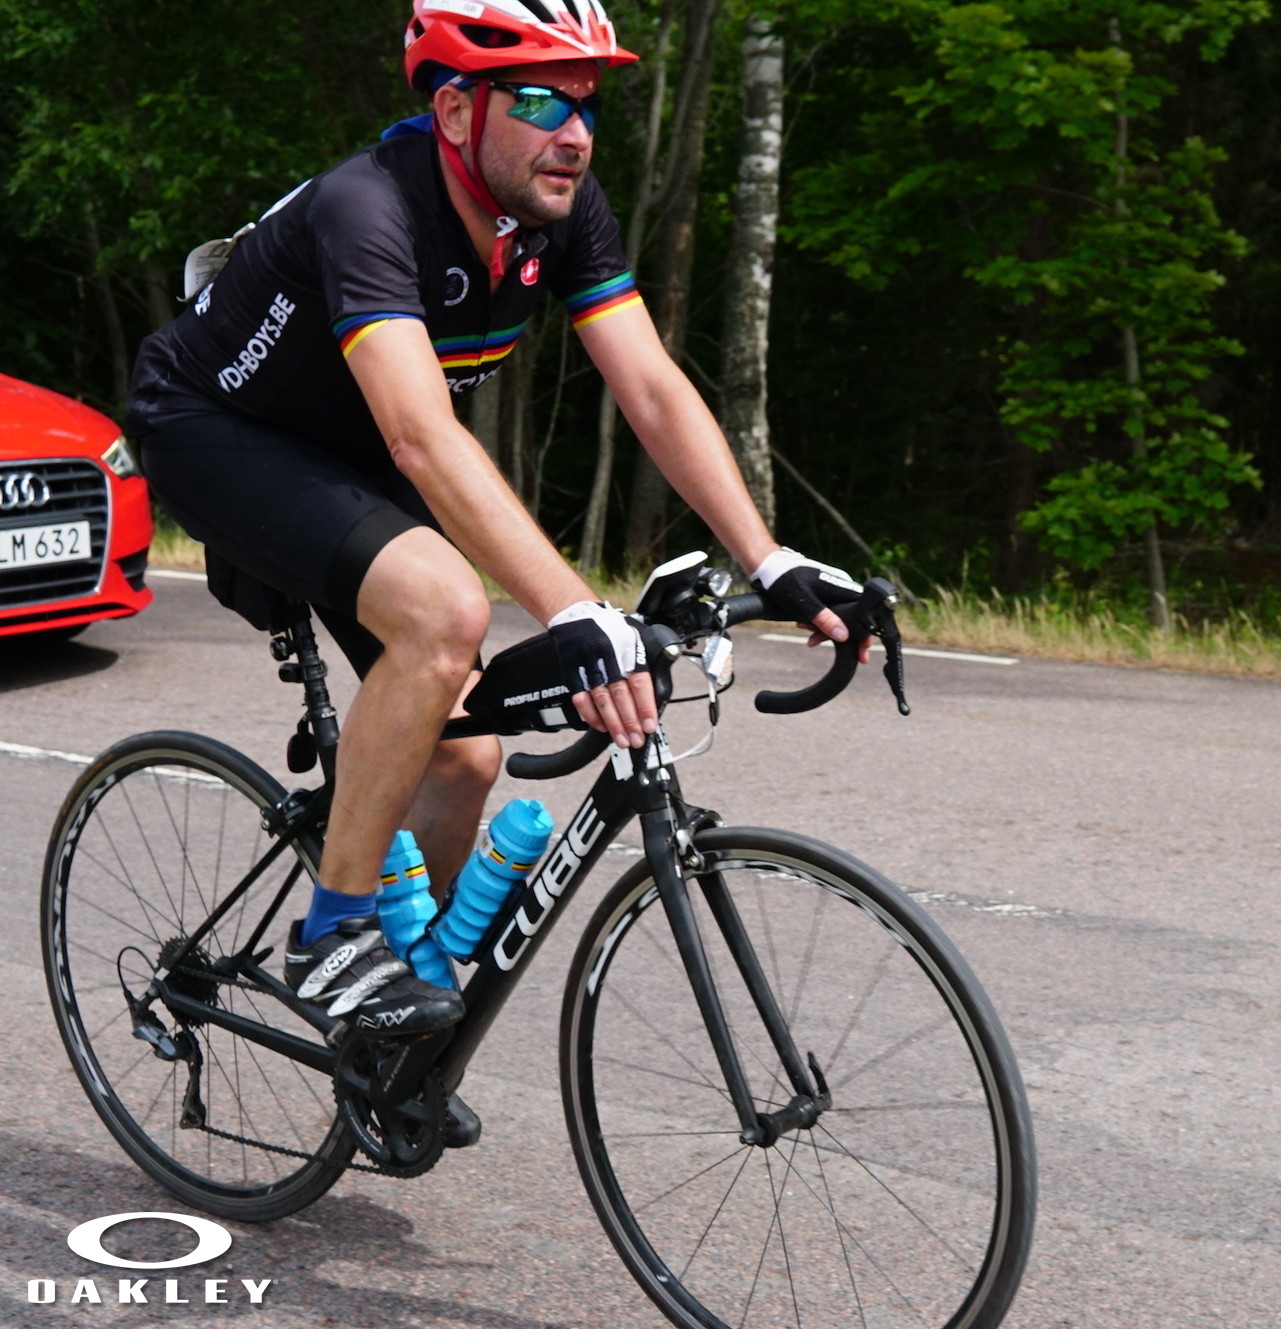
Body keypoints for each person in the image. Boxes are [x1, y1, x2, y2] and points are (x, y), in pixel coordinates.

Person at [124, 0, 861, 1109]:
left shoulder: (560, 212)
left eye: (588, 106)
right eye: (541, 102)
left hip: (349, 447)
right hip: (215, 428)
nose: (575, 133)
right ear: (458, 110)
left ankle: (389, 1034)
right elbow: (423, 440)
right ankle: (333, 936)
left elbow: (651, 387)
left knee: (465, 755)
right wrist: (575, 611)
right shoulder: (369, 206)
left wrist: (765, 558)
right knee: (445, 609)